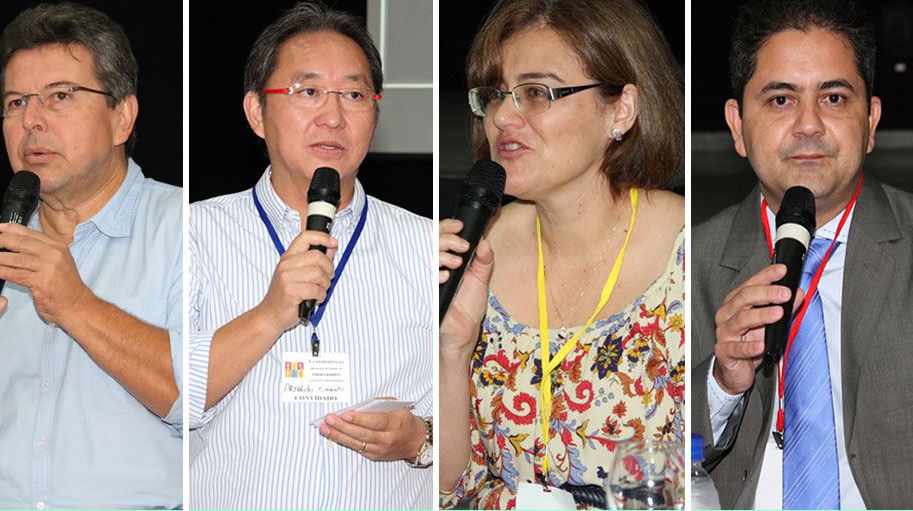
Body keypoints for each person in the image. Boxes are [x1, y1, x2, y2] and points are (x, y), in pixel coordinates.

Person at [0, 2, 182, 510]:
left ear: (122, 116)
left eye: (60, 96)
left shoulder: (190, 232)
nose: (31, 121)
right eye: (15, 103)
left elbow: (200, 398)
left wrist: (76, 305)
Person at [437, 0, 685, 508]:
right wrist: (451, 349)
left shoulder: (692, 254)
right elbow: (449, 489)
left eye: (536, 93)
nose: (503, 116)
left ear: (621, 110)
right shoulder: (474, 248)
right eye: (495, 95)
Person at [187, 2, 432, 509]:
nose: (334, 116)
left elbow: (475, 417)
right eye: (309, 91)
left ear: (376, 114)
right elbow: (163, 399)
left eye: (354, 94)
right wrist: (268, 315)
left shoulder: (427, 247)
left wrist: (420, 439)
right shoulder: (193, 234)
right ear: (257, 112)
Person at [689, 0, 913, 508]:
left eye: (834, 98)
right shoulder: (687, 261)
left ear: (872, 120)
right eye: (780, 101)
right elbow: (638, 454)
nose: (809, 125)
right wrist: (721, 384)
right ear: (737, 126)